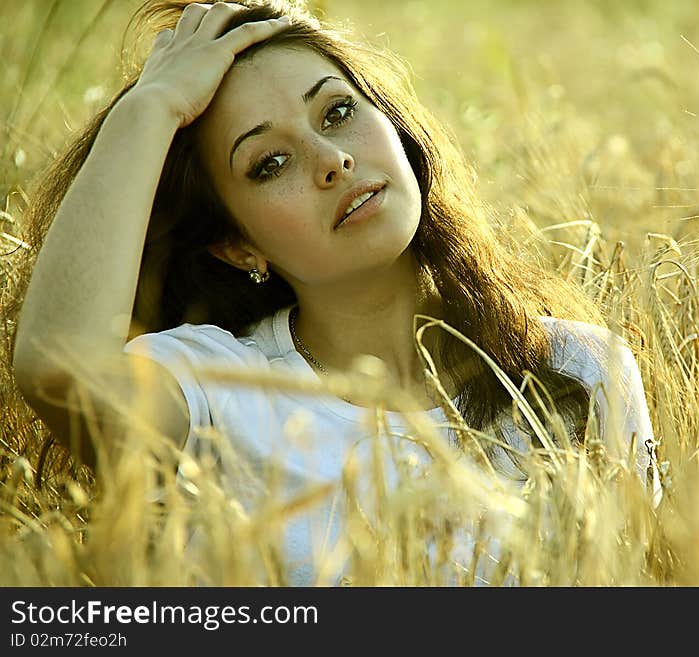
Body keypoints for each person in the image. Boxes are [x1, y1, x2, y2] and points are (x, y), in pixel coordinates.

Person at [12, 0, 655, 585]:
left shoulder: (579, 368)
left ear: (395, 128)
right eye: (269, 163)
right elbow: (58, 367)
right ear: (238, 247)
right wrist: (149, 107)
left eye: (338, 112)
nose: (330, 159)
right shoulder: (219, 389)